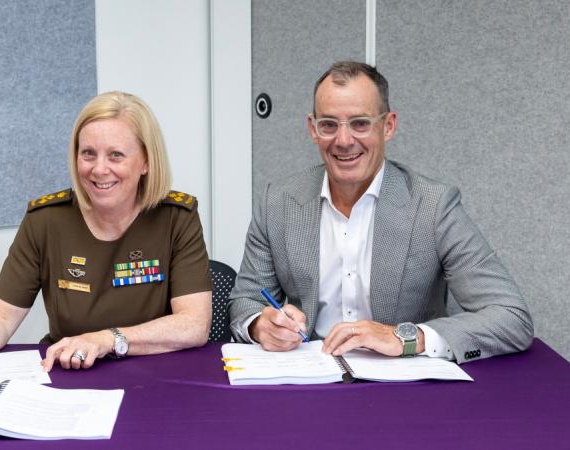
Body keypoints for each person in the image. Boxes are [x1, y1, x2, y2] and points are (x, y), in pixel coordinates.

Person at [228, 61, 533, 363]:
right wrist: (260, 325)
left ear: (388, 126)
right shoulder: (277, 203)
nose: (344, 141)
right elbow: (246, 301)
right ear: (313, 129)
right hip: (310, 374)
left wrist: (406, 338)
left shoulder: (433, 206)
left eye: (360, 123)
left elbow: (511, 317)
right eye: (329, 125)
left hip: (403, 379)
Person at [0, 91, 213, 373]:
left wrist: (106, 339)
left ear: (146, 162)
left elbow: (194, 324)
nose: (99, 169)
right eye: (88, 154)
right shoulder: (46, 220)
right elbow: (1, 315)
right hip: (69, 373)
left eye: (116, 155)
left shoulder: (177, 217)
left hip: (156, 375)